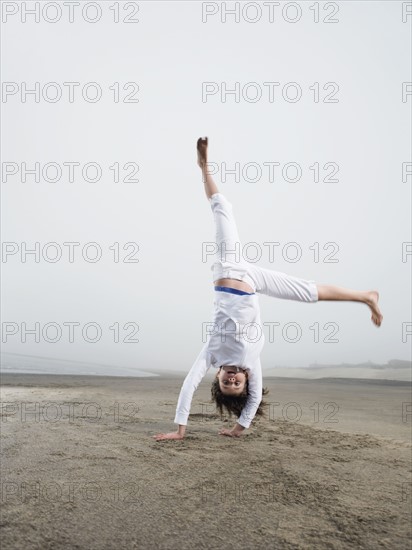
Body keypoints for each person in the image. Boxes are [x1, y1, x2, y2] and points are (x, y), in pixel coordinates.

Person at [153, 137, 383, 441]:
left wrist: (180, 429)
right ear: (246, 380)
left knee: (222, 208)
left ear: (218, 377)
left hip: (230, 267)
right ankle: (365, 296)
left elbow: (189, 384)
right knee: (308, 292)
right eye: (237, 384)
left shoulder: (210, 354)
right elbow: (255, 398)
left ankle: (204, 166)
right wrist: (239, 428)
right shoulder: (252, 363)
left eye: (226, 383)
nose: (232, 380)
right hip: (253, 283)